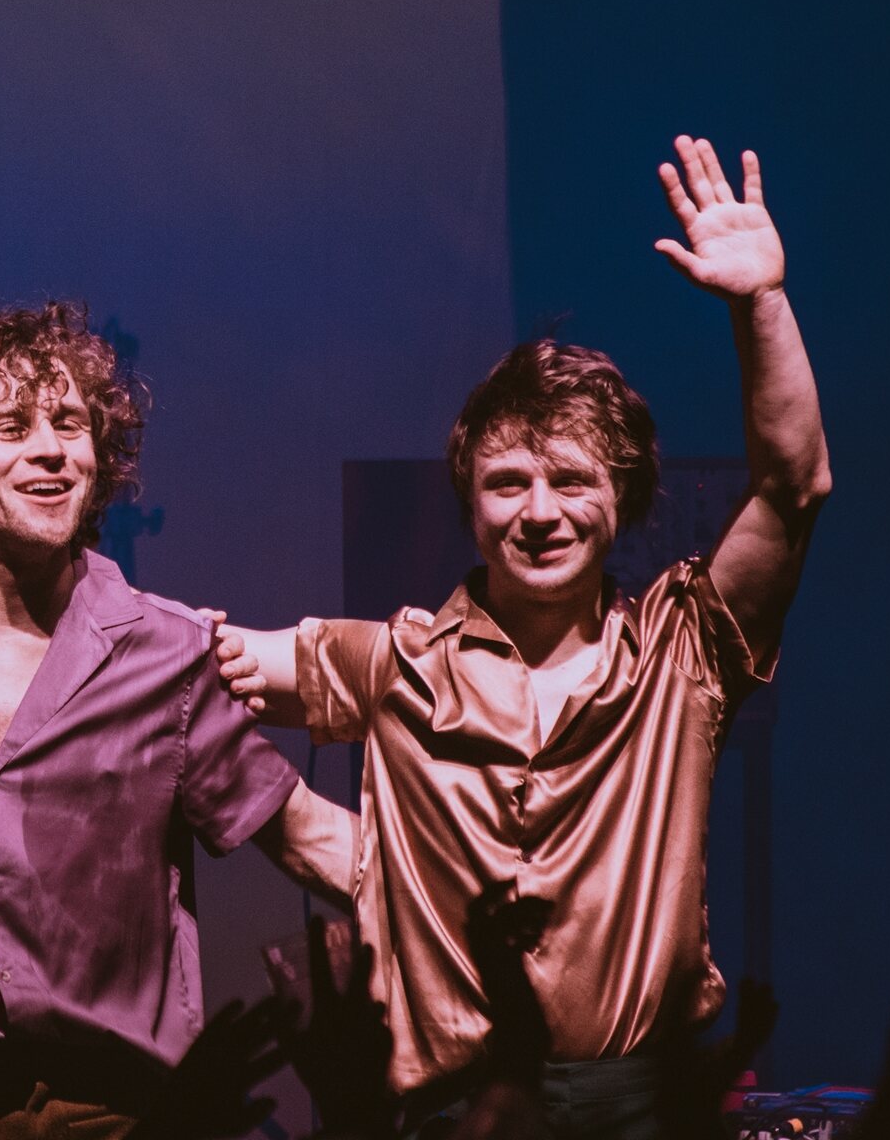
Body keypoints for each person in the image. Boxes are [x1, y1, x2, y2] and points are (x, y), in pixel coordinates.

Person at [213, 138, 829, 1136]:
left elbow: (793, 487)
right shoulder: (395, 661)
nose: (539, 511)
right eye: (508, 482)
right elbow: (190, 660)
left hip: (641, 1104)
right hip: (452, 1112)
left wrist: (761, 302)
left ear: (622, 502)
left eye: (571, 480)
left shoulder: (684, 654)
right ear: (471, 504)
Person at [0, 300, 358, 1138]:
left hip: (117, 1116)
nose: (52, 449)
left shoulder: (166, 654)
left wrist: (516, 899)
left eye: (69, 424)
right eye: (11, 426)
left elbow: (312, 840)